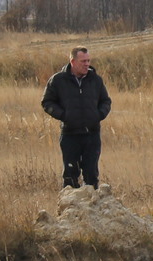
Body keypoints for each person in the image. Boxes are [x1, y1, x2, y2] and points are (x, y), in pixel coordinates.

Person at [40, 46, 112, 189]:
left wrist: (98, 115)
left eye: (88, 61)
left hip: (91, 134)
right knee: (70, 175)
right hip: (70, 134)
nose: (87, 64)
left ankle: (91, 208)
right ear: (73, 62)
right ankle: (72, 208)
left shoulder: (95, 80)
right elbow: (47, 102)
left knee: (91, 175)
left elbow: (106, 101)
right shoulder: (58, 80)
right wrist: (64, 115)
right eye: (83, 61)